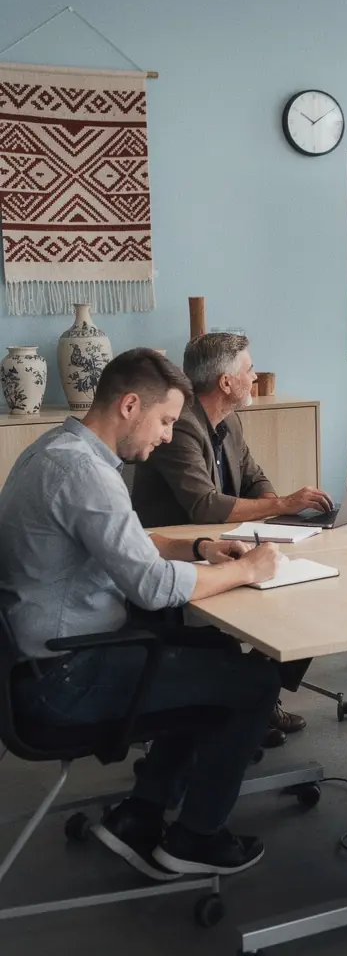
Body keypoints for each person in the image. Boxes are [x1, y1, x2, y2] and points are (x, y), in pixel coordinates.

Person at [0, 349, 289, 881]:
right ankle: (196, 839)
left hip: (41, 662)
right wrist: (246, 571)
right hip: (64, 681)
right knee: (252, 681)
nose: (166, 436)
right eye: (165, 421)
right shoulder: (85, 472)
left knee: (215, 653)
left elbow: (130, 542)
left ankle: (141, 813)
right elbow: (154, 587)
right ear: (130, 406)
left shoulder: (52, 451)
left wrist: (200, 548)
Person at [131, 332, 328, 748]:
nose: (255, 376)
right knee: (278, 595)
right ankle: (248, 701)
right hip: (181, 554)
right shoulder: (180, 426)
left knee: (308, 593)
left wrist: (277, 508)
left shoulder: (229, 420)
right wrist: (282, 505)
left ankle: (260, 697)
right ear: (225, 382)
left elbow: (255, 478)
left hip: (223, 543)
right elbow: (204, 506)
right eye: (248, 369)